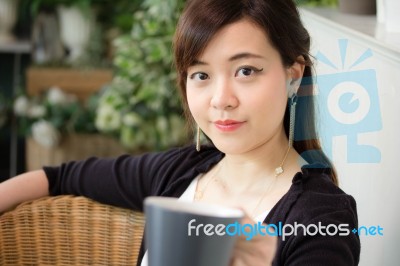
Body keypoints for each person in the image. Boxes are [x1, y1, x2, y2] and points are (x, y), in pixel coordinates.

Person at [0, 0, 360, 265]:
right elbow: (59, 176)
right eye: (201, 75)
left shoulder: (322, 217)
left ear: (293, 76)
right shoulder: (181, 171)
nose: (221, 100)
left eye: (246, 70)